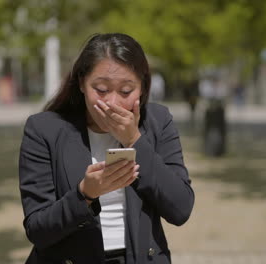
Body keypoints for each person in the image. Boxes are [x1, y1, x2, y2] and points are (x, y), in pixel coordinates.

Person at [18, 33, 194, 264]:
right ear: (81, 83)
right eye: (101, 89)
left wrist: (134, 140)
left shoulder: (158, 121)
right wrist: (84, 195)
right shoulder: (44, 129)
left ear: (142, 87)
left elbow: (180, 208)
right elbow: (38, 230)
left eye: (125, 91)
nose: (112, 103)